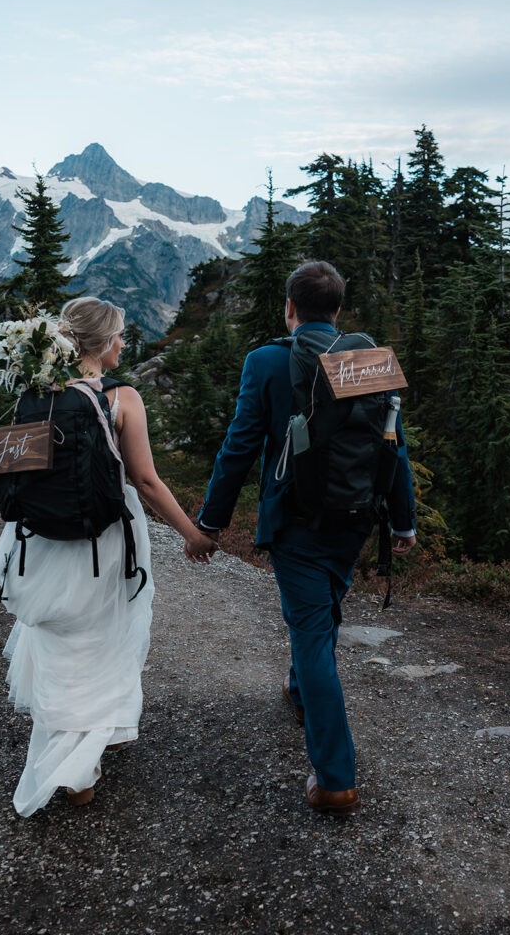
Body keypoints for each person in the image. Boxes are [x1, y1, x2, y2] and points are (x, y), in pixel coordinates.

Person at [195, 261, 416, 815]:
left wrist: (210, 522)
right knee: (325, 608)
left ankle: (337, 779)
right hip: (357, 517)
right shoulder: (366, 360)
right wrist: (402, 519)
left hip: (295, 523)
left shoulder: (267, 361)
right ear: (338, 310)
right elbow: (394, 443)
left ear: (289, 308)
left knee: (312, 634)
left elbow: (240, 447)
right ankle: (300, 694)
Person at [0, 296, 217, 816]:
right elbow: (146, 481)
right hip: (105, 537)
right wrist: (192, 533)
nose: (122, 344)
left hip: (42, 539)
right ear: (102, 342)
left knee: (59, 643)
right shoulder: (123, 398)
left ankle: (79, 760)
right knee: (104, 636)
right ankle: (90, 746)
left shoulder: (37, 391)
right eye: (118, 336)